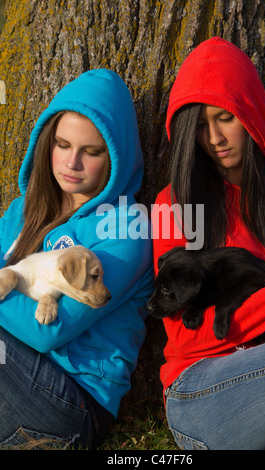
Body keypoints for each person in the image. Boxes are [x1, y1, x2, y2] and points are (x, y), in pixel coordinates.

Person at [152, 37, 265, 450]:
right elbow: (187, 336)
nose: (214, 137)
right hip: (202, 389)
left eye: (225, 118)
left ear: (252, 114)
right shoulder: (174, 205)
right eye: (200, 125)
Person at [0, 69, 153, 449]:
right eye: (63, 145)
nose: (72, 162)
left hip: (72, 403)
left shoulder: (127, 229)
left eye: (92, 151)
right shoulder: (24, 210)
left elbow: (46, 330)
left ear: (117, 156)